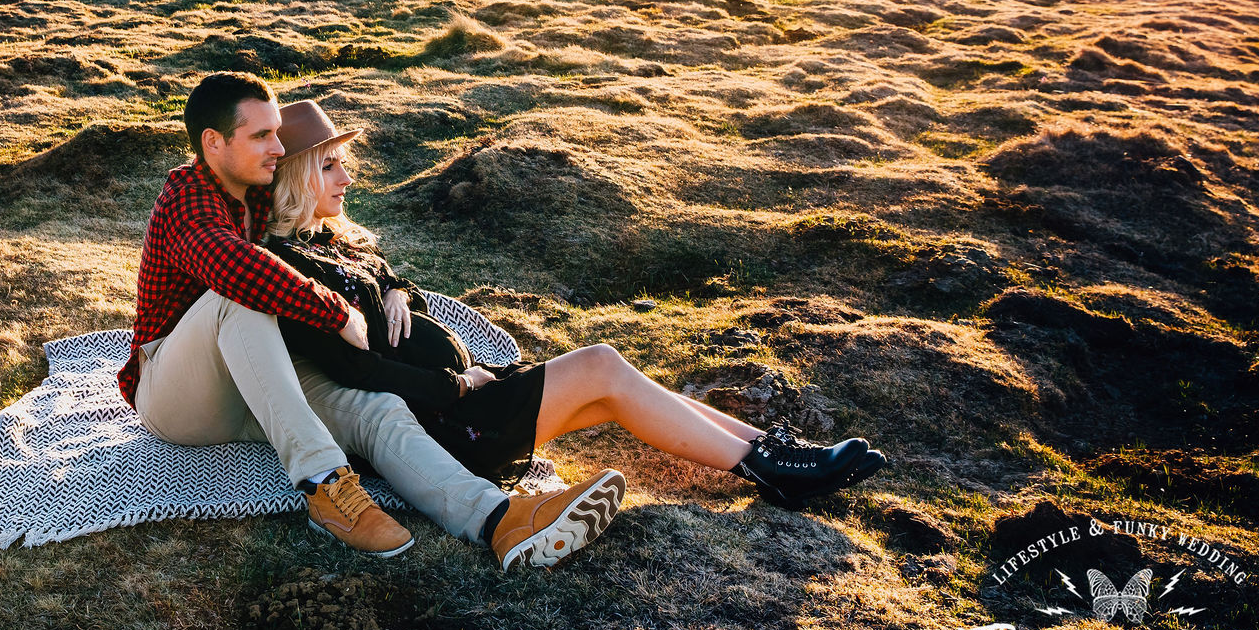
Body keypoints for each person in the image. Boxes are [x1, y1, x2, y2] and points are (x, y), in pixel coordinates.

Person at [261, 99, 889, 510]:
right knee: (601, 367)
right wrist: (456, 383)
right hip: (452, 420)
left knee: (616, 388)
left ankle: (778, 454)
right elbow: (358, 372)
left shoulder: (328, 242)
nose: (346, 178)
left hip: (468, 399)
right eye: (329, 167)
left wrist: (395, 288)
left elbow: (384, 282)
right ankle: (772, 467)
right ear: (293, 178)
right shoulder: (284, 268)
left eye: (344, 163)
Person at [124, 73, 627, 569]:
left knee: (378, 409)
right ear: (213, 143)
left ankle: (499, 520)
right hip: (179, 393)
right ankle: (324, 484)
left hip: (258, 379)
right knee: (237, 295)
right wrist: (335, 310)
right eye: (261, 135)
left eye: (276, 132)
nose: (277, 147)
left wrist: (391, 288)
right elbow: (233, 267)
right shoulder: (185, 197)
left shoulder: (257, 189)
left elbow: (338, 243)